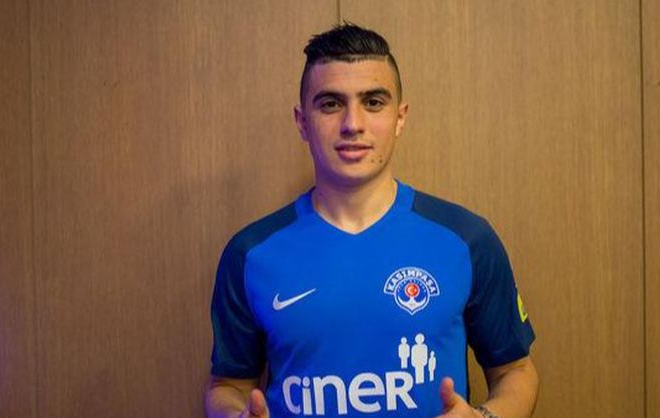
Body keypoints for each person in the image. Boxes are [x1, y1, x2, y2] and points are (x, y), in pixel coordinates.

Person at [204, 23, 538, 418]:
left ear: (400, 117)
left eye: (374, 102)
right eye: (331, 104)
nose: (353, 124)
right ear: (302, 121)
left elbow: (516, 371)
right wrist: (233, 414)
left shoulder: (466, 240)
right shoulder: (251, 253)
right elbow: (227, 386)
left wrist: (485, 417)